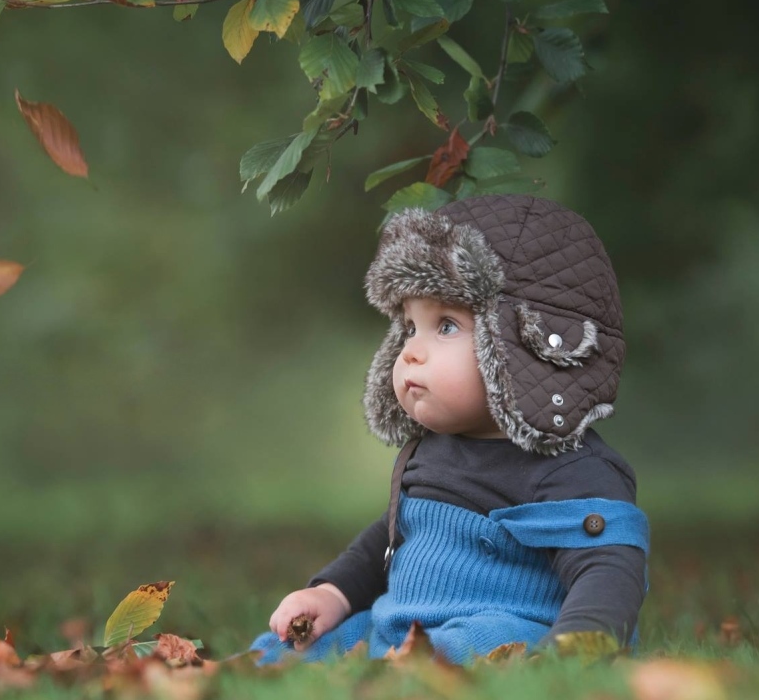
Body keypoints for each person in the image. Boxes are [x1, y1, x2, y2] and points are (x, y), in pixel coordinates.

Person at [247, 194, 650, 666]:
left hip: (507, 629)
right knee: (305, 642)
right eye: (410, 327)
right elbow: (390, 539)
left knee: (480, 639)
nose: (411, 351)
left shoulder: (575, 472)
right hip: (402, 627)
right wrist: (333, 593)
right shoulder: (432, 451)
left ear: (521, 346)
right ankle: (248, 671)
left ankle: (411, 670)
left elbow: (608, 571)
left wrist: (575, 650)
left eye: (445, 327)